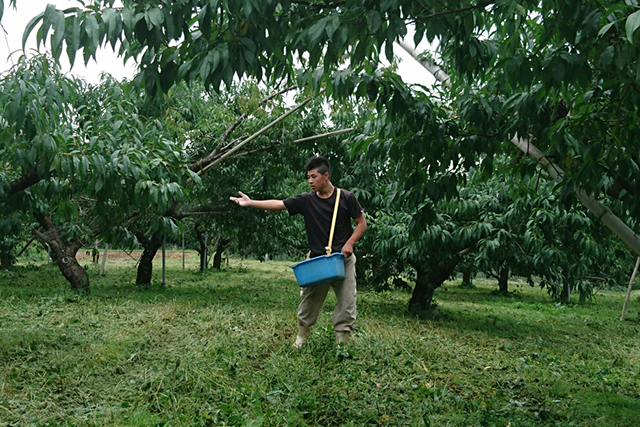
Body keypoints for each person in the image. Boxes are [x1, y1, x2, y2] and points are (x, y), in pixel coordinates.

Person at [230, 156, 367, 349]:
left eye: (313, 176)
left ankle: (341, 347)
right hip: (318, 262)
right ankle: (301, 341)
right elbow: (278, 204)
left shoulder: (346, 197)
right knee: (309, 302)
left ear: (326, 176)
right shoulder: (306, 200)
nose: (310, 181)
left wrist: (350, 243)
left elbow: (361, 224)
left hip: (342, 260)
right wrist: (251, 202)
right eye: (308, 177)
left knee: (347, 303)